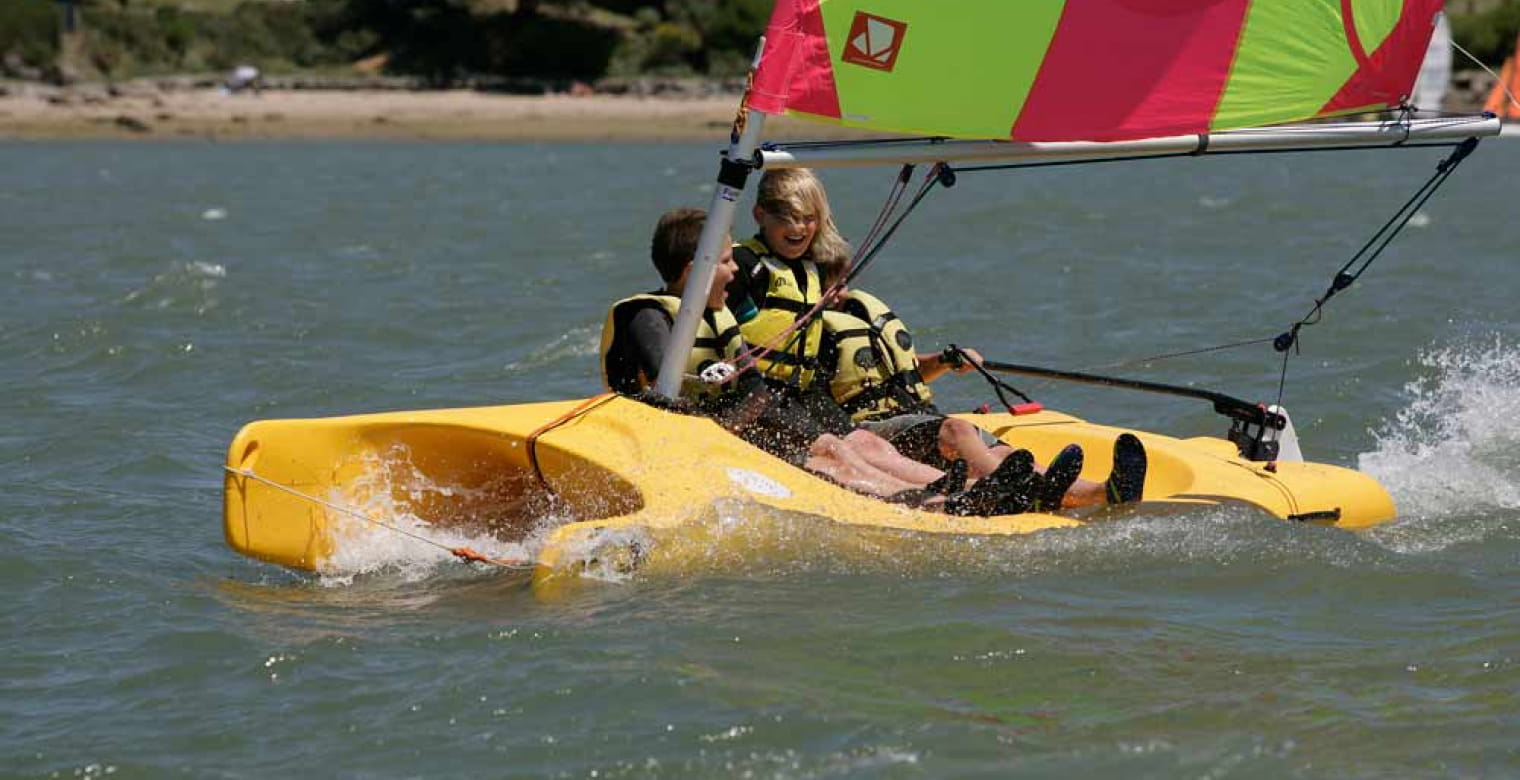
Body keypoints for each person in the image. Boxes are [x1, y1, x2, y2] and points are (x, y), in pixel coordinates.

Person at [601, 207, 1037, 511]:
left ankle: (960, 488)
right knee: (832, 452)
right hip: (688, 445)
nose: (735, 273)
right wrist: (733, 429)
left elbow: (751, 389)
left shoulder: (718, 318)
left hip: (740, 428)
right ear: (695, 268)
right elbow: (663, 397)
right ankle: (933, 503)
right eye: (727, 262)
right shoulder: (646, 315)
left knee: (860, 443)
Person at [819, 285, 1148, 509]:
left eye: (843, 280)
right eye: (832, 282)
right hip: (871, 428)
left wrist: (946, 361)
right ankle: (1023, 492)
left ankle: (1103, 493)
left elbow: (905, 368)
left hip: (915, 415)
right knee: (958, 430)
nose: (841, 290)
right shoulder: (810, 329)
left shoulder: (855, 313)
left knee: (1008, 454)